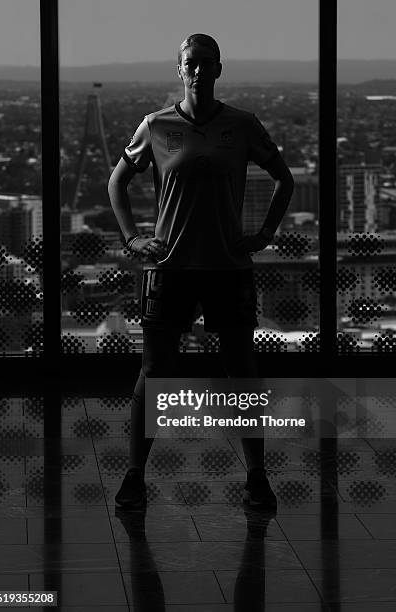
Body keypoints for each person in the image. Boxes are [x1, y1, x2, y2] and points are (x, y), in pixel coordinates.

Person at [108, 33, 294, 509]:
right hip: (171, 267)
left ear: (218, 69)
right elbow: (118, 180)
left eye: (206, 63)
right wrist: (132, 239)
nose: (198, 70)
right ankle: (135, 475)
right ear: (180, 70)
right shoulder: (157, 125)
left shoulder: (242, 125)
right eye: (191, 63)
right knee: (153, 372)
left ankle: (256, 477)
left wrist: (264, 235)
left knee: (242, 372)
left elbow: (284, 179)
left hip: (227, 267)